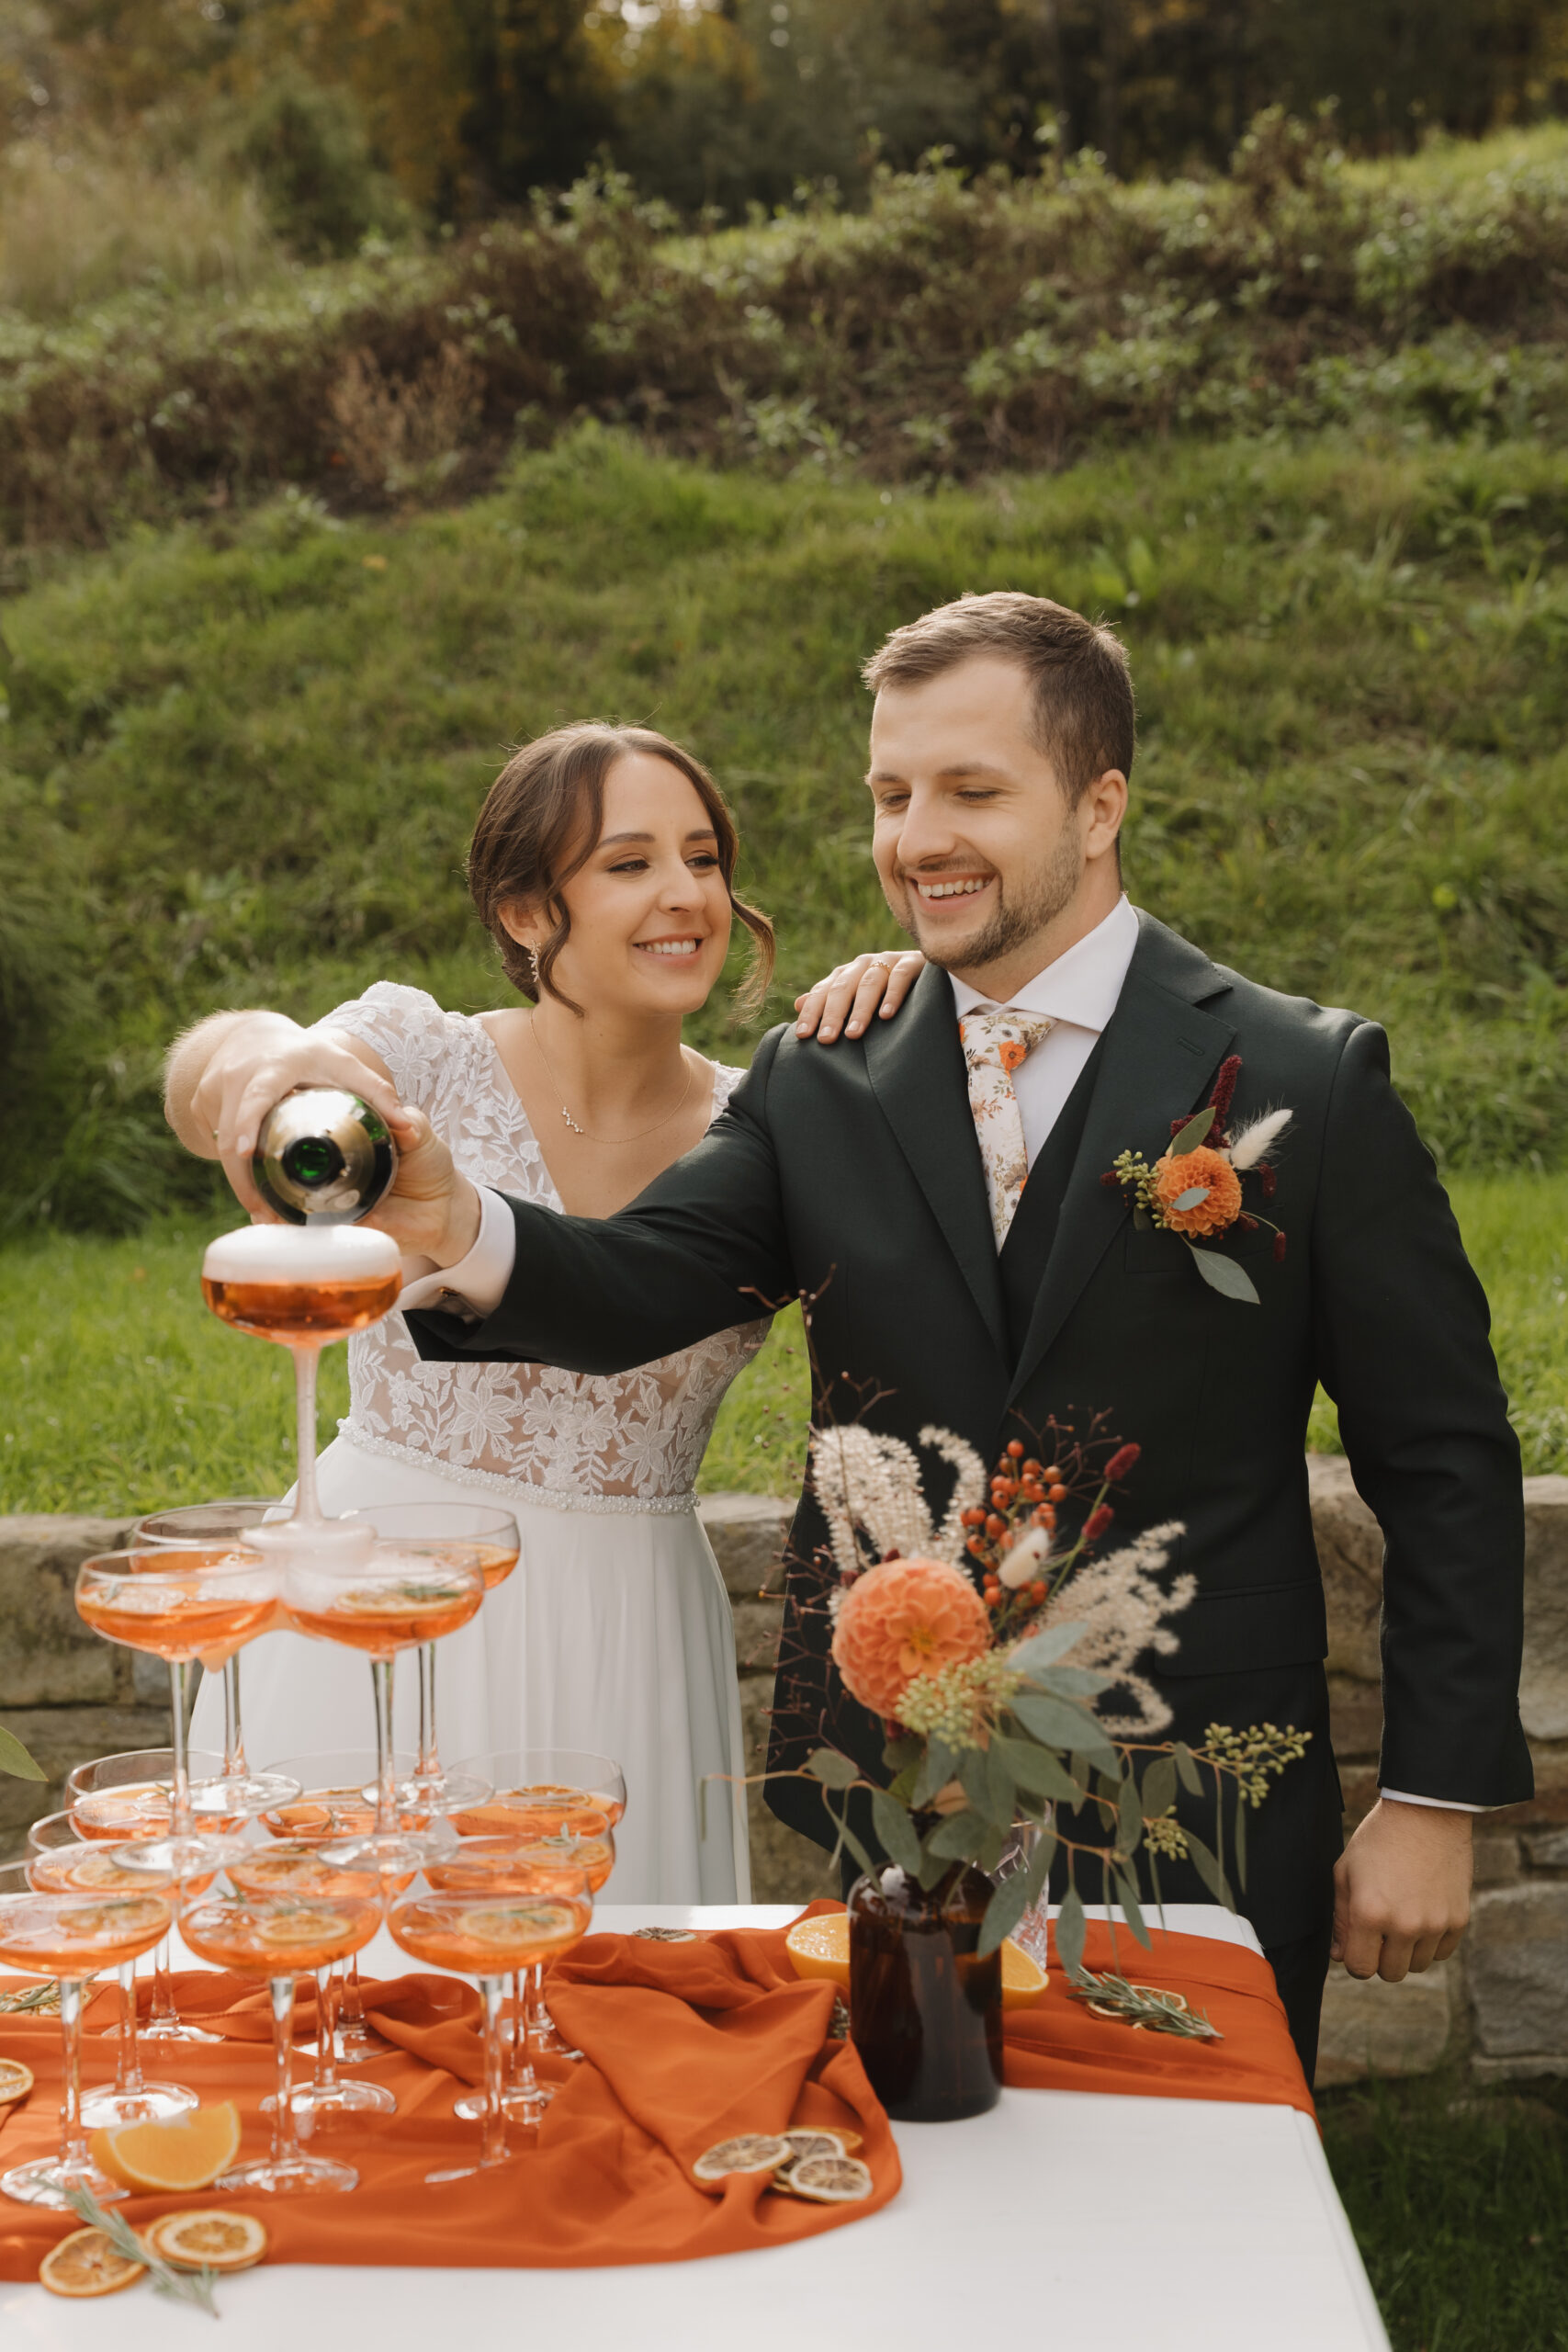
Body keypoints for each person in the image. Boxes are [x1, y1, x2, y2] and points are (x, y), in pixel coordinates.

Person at [384, 594, 1532, 2079]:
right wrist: (453, 1217)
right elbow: (638, 1287)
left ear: (1099, 803)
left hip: (1199, 1779)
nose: (917, 834)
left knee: (1193, 2214)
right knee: (929, 2184)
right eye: (890, 793)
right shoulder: (824, 1074)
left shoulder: (1301, 1080)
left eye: (971, 791)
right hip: (894, 1771)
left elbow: (1439, 1456)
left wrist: (1433, 1799)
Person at [163, 721, 919, 1904]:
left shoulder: (774, 1116)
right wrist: (271, 1049)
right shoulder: (416, 1056)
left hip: (629, 1629)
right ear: (525, 912)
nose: (685, 895)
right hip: (376, 1593)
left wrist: (930, 999)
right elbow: (220, 1074)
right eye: (629, 864)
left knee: (597, 2030)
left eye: (704, 857)